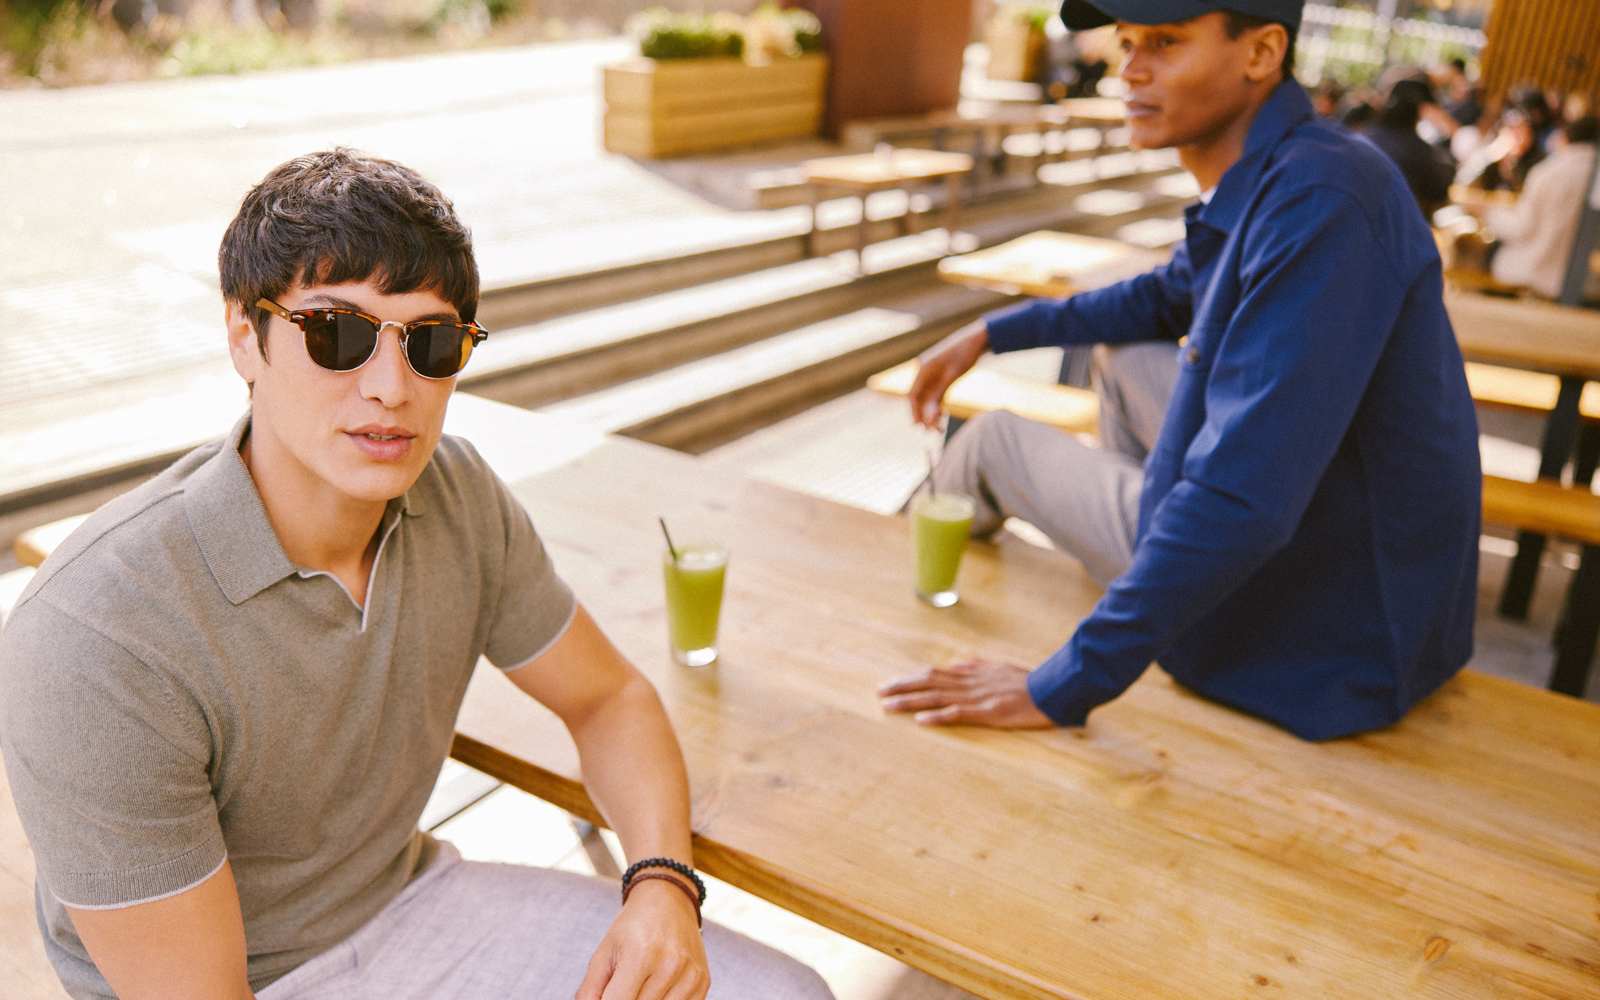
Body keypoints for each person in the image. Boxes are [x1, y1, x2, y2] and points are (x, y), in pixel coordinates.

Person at [0, 150, 834, 1000]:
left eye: (430, 343)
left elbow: (608, 699)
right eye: (336, 333)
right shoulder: (95, 637)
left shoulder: (457, 493)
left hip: (412, 903)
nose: (391, 388)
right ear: (243, 338)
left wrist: (661, 885)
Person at [878, 0, 1481, 742]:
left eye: (1165, 43)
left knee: (992, 441)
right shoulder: (1290, 167)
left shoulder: (1321, 201)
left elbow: (1244, 500)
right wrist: (993, 331)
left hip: (1321, 629)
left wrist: (1059, 685)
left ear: (1261, 54)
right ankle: (1141, 569)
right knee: (1122, 350)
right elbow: (1166, 297)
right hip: (1316, 541)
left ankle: (876, 631)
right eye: (1126, 42)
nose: (1129, 69)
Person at [1478, 115, 1600, 299]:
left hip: (1535, 273)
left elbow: (1522, 228)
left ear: (1565, 138)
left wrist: (1489, 213)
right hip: (1586, 284)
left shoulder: (1549, 171)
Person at [1359, 76, 1454, 215]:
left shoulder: (1363, 138)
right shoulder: (1420, 149)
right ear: (1416, 115)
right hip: (1396, 223)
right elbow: (1440, 193)